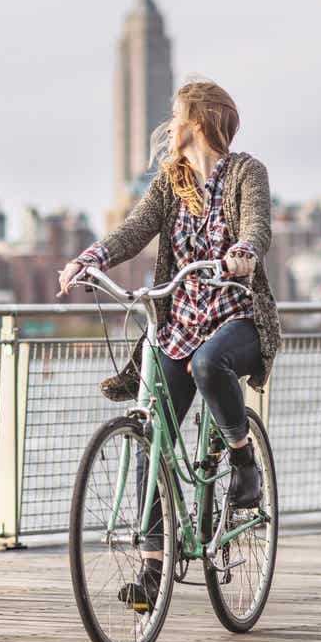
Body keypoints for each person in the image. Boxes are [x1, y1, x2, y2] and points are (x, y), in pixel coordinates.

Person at [58, 78, 281, 607]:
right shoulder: (169, 181)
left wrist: (245, 250)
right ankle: (155, 570)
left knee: (210, 365)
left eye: (177, 113)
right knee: (152, 435)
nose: (170, 123)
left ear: (200, 120)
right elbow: (133, 230)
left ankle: (242, 460)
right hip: (178, 321)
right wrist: (90, 260)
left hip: (237, 315)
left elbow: (258, 224)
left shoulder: (247, 172)